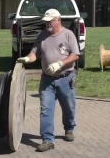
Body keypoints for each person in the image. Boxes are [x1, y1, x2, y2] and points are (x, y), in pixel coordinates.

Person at [17, 8, 80, 152]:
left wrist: (60, 63)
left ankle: (69, 128)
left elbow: (75, 55)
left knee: (69, 107)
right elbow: (35, 53)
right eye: (46, 22)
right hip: (47, 80)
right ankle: (47, 140)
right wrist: (27, 59)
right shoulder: (42, 36)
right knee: (45, 109)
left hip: (66, 78)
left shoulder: (68, 35)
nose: (47, 24)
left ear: (58, 19)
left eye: (50, 21)